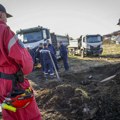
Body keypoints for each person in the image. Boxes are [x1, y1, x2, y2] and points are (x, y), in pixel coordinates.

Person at [0, 4, 41, 120]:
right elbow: (27, 65)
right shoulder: (4, 30)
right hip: (14, 83)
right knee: (28, 113)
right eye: (6, 16)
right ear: (1, 14)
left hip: (1, 83)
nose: (6, 20)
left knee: (9, 110)